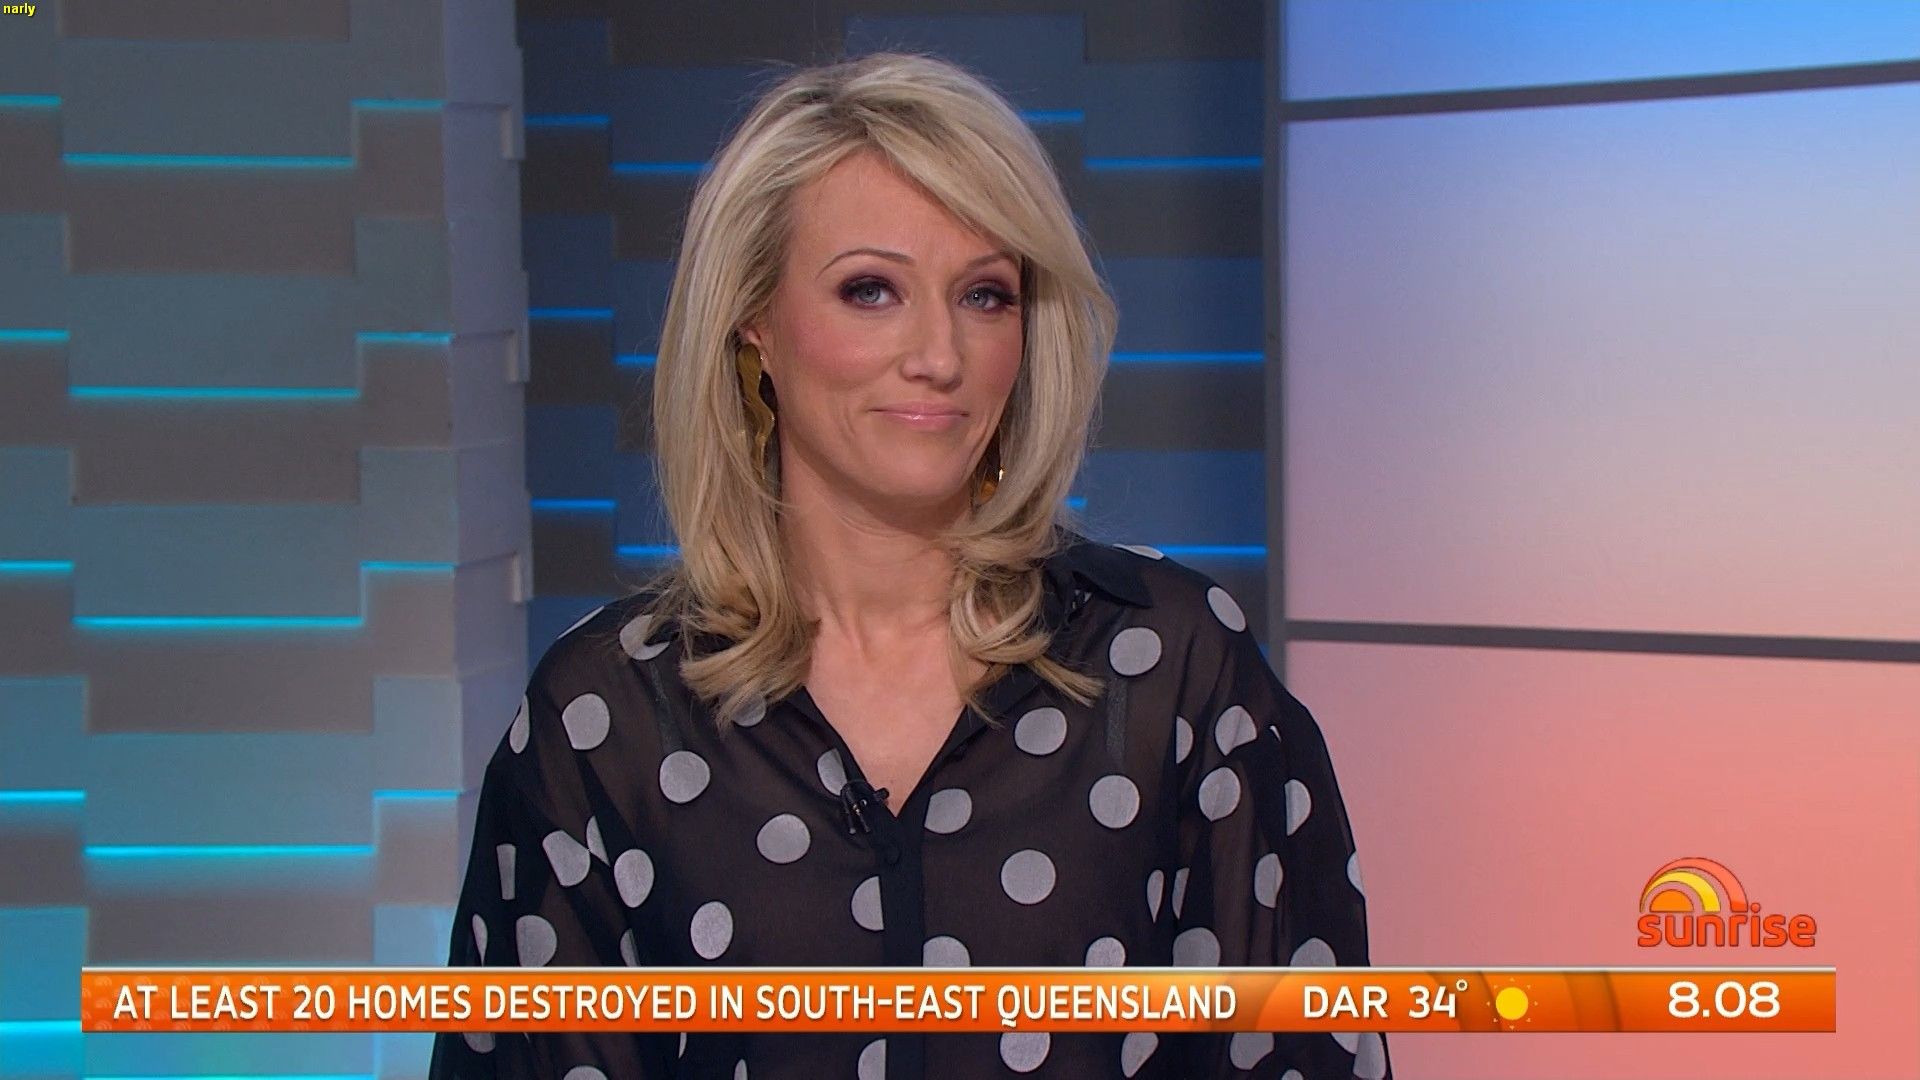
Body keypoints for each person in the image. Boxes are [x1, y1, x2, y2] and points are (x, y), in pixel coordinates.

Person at [428, 50, 1389, 1080]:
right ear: (756, 323)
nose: (939, 355)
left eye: (985, 296)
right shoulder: (603, 717)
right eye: (871, 290)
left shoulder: (1172, 667)